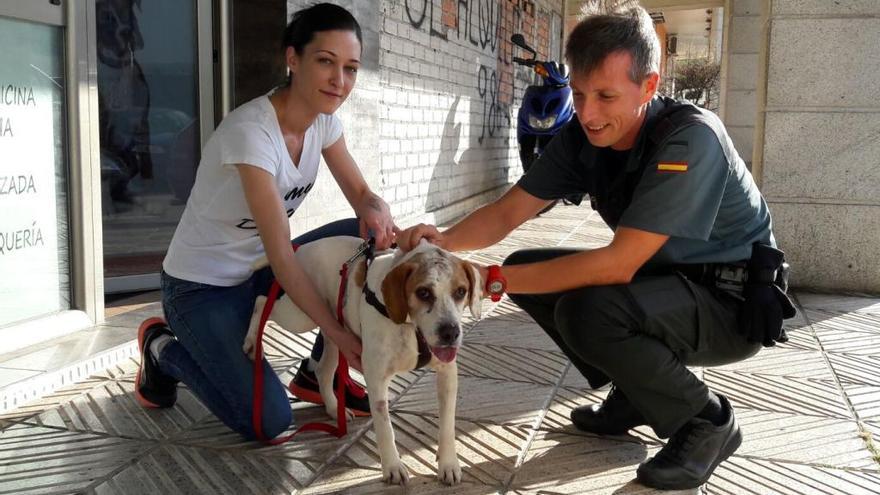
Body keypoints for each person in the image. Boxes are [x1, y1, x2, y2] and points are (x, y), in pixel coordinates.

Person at [397, 7, 794, 491]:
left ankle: (705, 421)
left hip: (729, 305)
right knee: (531, 270)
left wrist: (488, 279)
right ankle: (635, 392)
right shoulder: (582, 136)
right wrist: (440, 242)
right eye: (579, 94)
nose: (588, 113)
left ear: (648, 86)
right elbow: (506, 213)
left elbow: (618, 263)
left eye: (607, 96)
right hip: (668, 285)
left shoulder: (690, 140)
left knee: (589, 309)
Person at [134, 3, 396, 440]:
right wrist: (338, 331)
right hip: (202, 287)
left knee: (361, 236)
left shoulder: (324, 123)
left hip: (261, 271)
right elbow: (282, 254)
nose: (339, 80)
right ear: (292, 59)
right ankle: (162, 349)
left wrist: (374, 205)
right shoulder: (251, 133)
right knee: (269, 422)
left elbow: (361, 196)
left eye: (350, 68)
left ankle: (316, 373)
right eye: (325, 62)